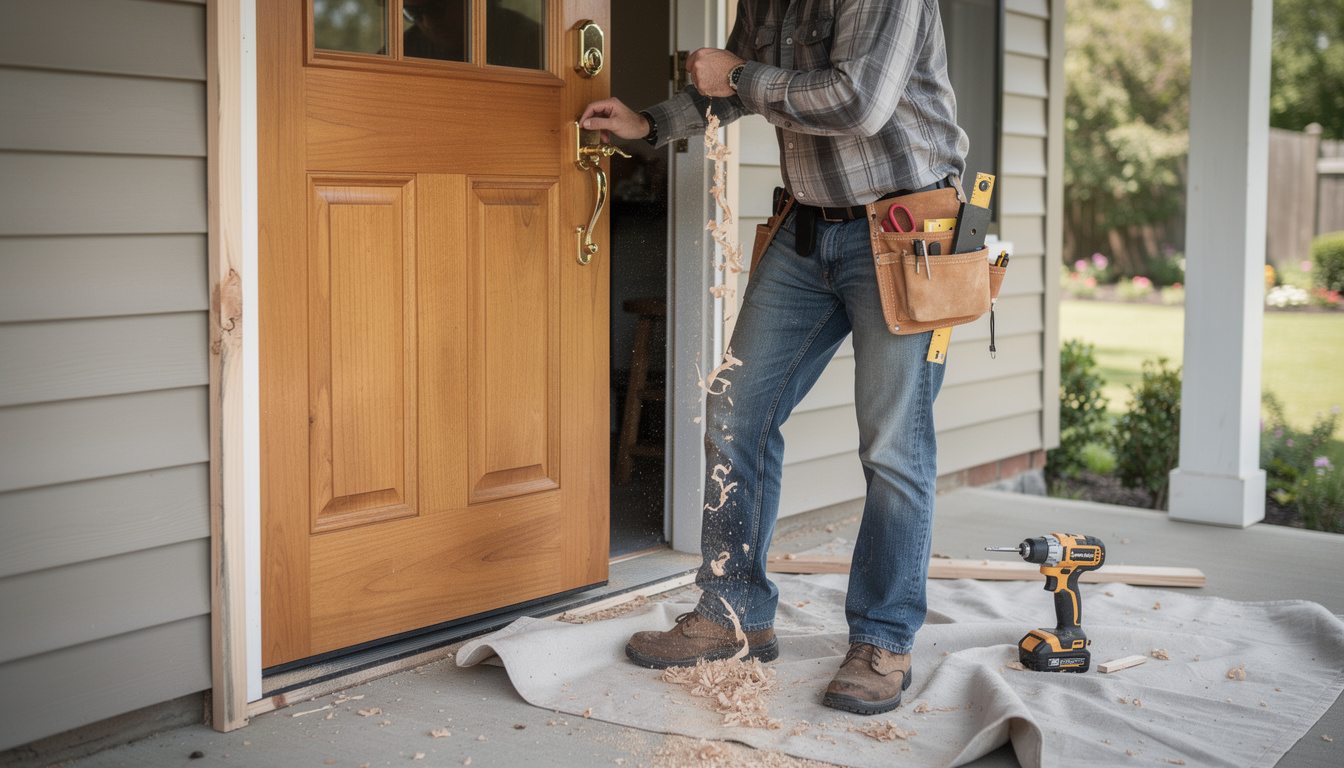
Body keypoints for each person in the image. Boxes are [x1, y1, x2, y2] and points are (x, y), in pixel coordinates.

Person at [579, 0, 967, 716]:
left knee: (893, 443)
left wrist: (738, 74)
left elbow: (858, 102)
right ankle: (733, 615)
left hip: (905, 230)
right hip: (805, 230)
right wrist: (649, 124)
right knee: (736, 412)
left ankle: (883, 640)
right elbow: (727, 91)